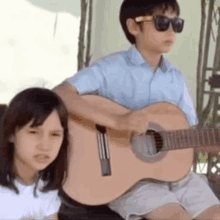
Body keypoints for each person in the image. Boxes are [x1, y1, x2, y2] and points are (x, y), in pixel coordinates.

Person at [54, 0, 220, 219]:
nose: (171, 30)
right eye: (162, 22)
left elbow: (189, 132)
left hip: (176, 176)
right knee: (174, 216)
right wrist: (117, 122)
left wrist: (210, 143)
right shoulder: (112, 68)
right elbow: (60, 94)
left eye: (176, 24)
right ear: (134, 27)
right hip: (127, 180)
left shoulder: (176, 78)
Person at [0, 88, 69, 220]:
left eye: (55, 134)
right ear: (11, 134)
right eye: (33, 132)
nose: (45, 146)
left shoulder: (47, 188)